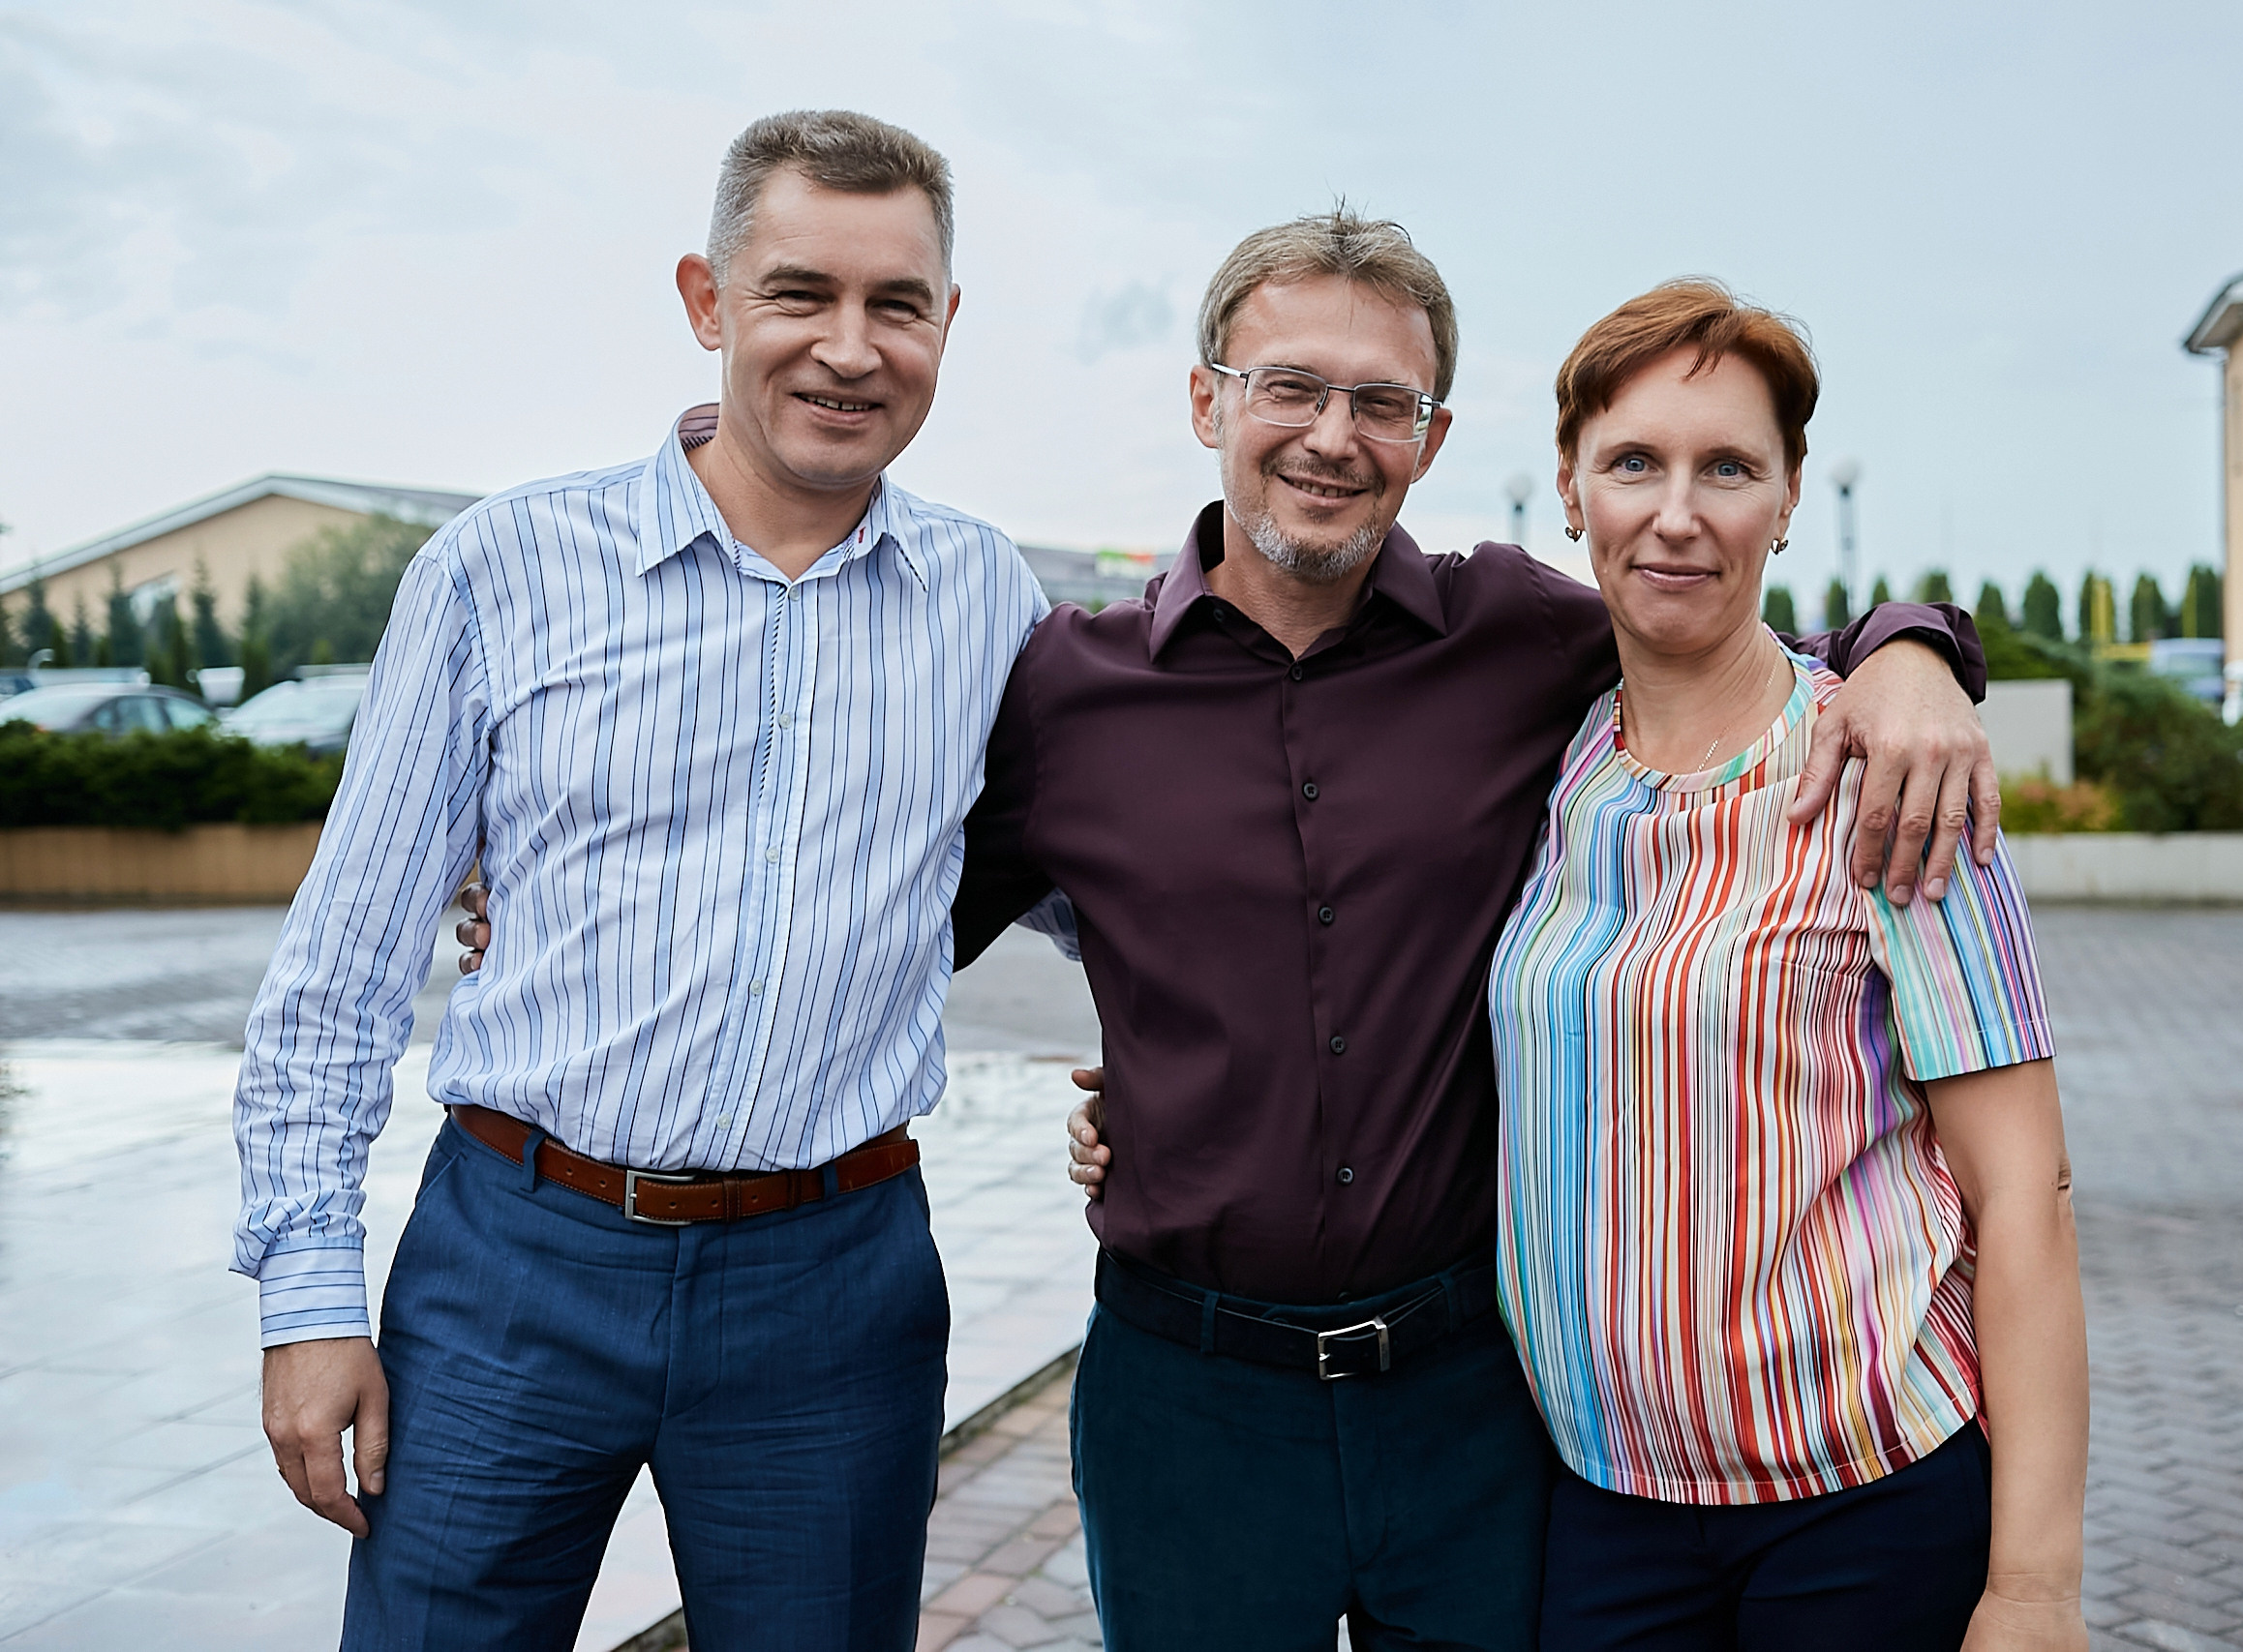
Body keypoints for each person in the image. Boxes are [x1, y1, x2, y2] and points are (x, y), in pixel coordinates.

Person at [956, 214, 2001, 1649]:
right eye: (1290, 387)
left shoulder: (1513, 637)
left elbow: (1724, 631)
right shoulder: (1065, 696)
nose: (1334, 436)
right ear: (1208, 401)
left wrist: (1914, 650)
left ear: (1431, 438)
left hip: (1468, 1402)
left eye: (1382, 402)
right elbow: (894, 928)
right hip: (1186, 1401)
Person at [231, 110, 1047, 1650]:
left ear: (948, 326)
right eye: (801, 292)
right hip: (513, 1267)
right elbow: (340, 972)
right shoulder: (501, 569)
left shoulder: (990, 603)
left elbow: (1125, 882)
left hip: (836, 1290)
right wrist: (309, 1298)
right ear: (706, 301)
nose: (849, 348)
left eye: (898, 305)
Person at [1487, 280, 2088, 1650]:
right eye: (1633, 461)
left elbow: (2025, 1194)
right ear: (1571, 490)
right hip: (1603, 1504)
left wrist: (2036, 1589)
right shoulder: (1553, 760)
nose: (1677, 511)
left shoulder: (1892, 772)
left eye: (1729, 468)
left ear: (1790, 495)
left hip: (1863, 1507)